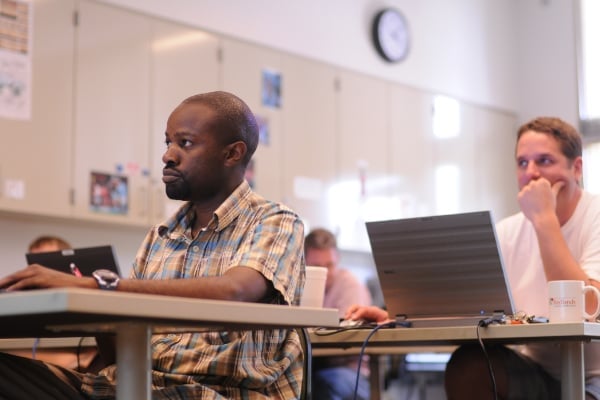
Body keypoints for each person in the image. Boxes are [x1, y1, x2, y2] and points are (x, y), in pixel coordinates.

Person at [0, 91, 306, 399]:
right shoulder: (160, 236)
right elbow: (120, 357)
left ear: (232, 154)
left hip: (212, 393)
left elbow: (235, 290)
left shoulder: (276, 221)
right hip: (130, 386)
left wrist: (94, 287)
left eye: (185, 143)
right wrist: (98, 312)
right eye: (168, 142)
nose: (168, 155)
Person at [346, 117, 600, 400]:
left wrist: (544, 220)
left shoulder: (594, 216)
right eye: (522, 163)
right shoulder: (507, 231)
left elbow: (586, 307)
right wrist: (398, 318)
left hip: (595, 377)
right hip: (535, 371)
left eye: (544, 160)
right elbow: (472, 307)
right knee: (468, 366)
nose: (532, 173)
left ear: (576, 168)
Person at [304, 228, 372, 400]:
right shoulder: (298, 285)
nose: (325, 273)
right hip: (312, 365)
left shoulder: (350, 286)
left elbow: (343, 340)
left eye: (329, 265)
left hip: (350, 371)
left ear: (338, 260)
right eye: (317, 267)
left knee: (319, 384)